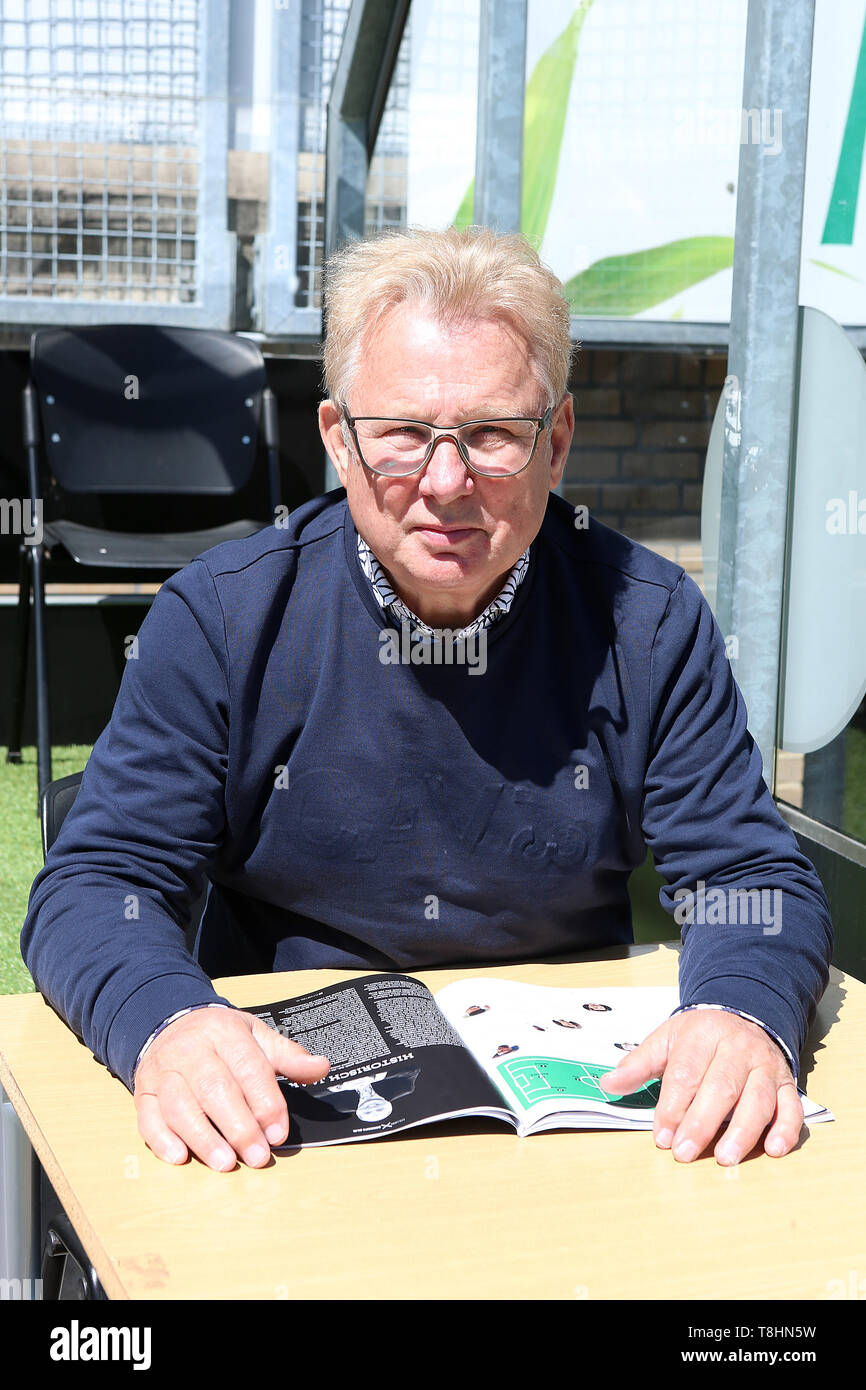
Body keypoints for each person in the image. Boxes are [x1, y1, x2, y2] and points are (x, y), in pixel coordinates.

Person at [21, 225, 832, 1173]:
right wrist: (170, 1022)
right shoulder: (224, 618)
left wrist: (739, 1014)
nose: (446, 483)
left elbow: (748, 881)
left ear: (557, 441)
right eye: (404, 434)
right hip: (292, 1108)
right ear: (339, 439)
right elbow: (97, 885)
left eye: (493, 435)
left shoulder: (648, 623)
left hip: (580, 1114)